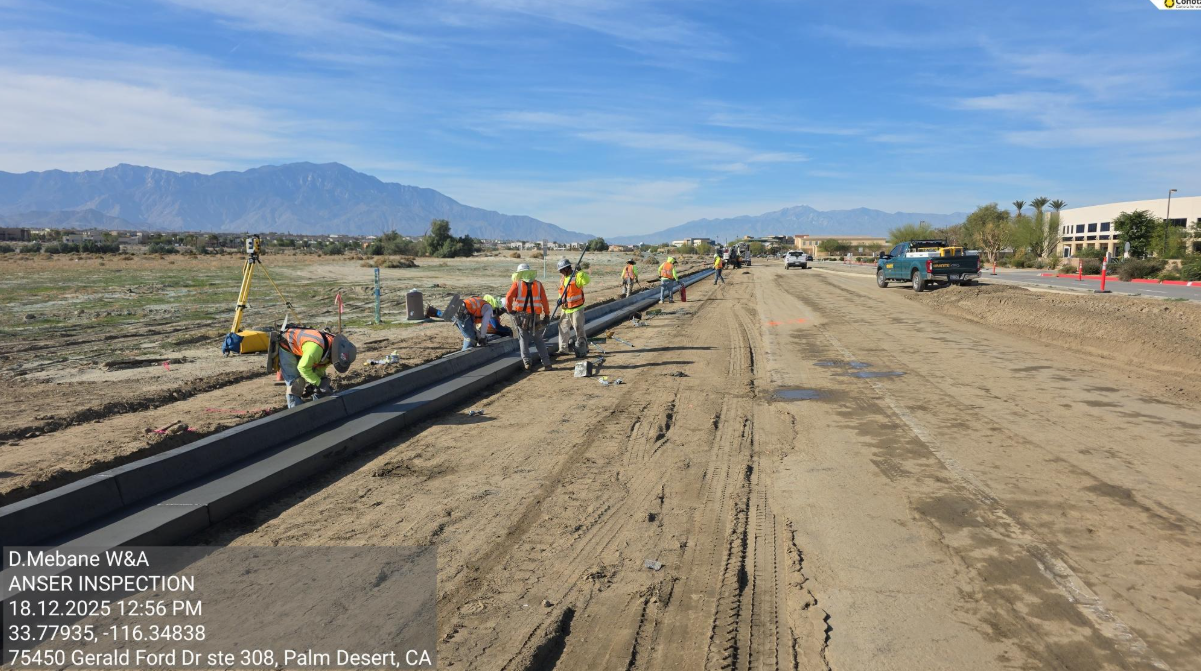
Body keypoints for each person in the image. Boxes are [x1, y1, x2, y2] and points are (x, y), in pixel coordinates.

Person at [276, 326, 356, 408]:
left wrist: (320, 383)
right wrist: (319, 383)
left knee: (320, 379)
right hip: (288, 345)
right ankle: (296, 414)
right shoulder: (316, 349)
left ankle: (321, 408)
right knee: (296, 385)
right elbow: (303, 368)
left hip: (307, 348)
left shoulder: (334, 350)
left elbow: (321, 366)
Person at [504, 263, 553, 371]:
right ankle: (547, 363)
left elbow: (508, 298)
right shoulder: (539, 284)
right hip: (536, 317)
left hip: (521, 317)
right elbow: (544, 301)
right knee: (539, 339)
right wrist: (547, 314)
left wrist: (510, 310)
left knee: (523, 340)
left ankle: (527, 363)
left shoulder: (517, 284)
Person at [555, 257, 591, 357]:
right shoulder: (563, 278)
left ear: (567, 268)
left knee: (579, 328)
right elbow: (561, 292)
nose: (561, 272)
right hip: (565, 308)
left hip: (576, 307)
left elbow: (587, 280)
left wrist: (581, 272)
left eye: (562, 270)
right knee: (562, 328)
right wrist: (559, 299)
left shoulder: (577, 276)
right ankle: (563, 349)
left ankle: (583, 348)